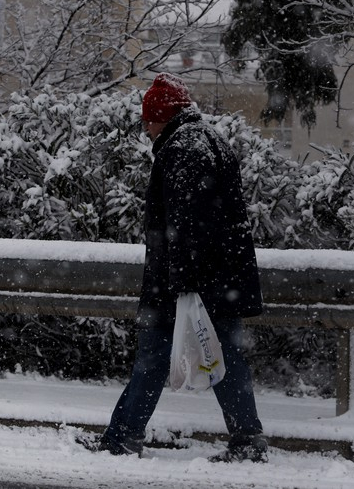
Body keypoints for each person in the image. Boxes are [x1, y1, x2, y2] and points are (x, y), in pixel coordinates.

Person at [88, 72, 268, 463]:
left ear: (161, 117)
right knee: (224, 359)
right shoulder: (208, 140)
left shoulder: (183, 148)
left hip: (190, 283)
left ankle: (122, 440)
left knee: (155, 358)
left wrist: (183, 285)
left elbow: (188, 224)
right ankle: (247, 439)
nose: (146, 130)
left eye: (147, 121)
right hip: (220, 279)